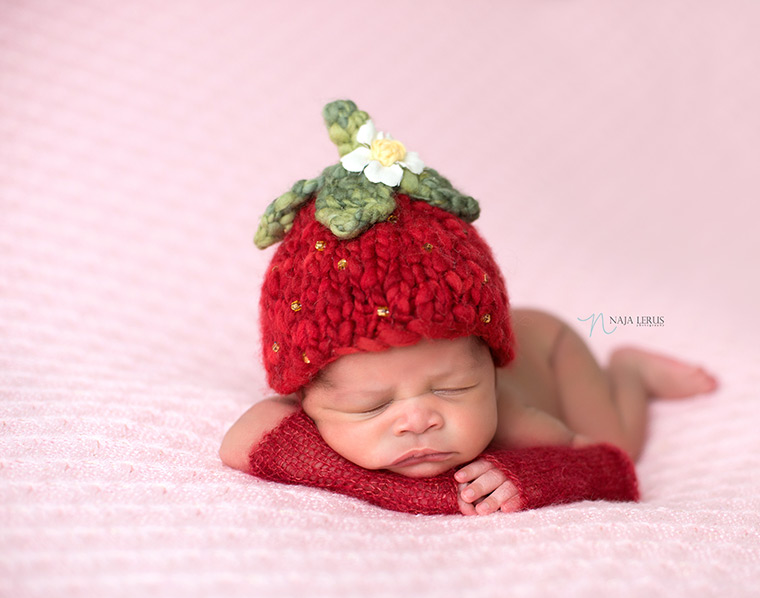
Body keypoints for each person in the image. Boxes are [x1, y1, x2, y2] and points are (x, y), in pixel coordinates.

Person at [220, 100, 717, 516]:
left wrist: (530, 475)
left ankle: (630, 372)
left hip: (553, 349)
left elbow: (608, 465)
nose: (418, 420)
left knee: (622, 437)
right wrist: (411, 494)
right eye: (371, 405)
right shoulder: (305, 404)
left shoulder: (515, 421)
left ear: (492, 373)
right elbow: (240, 443)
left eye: (455, 388)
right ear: (301, 395)